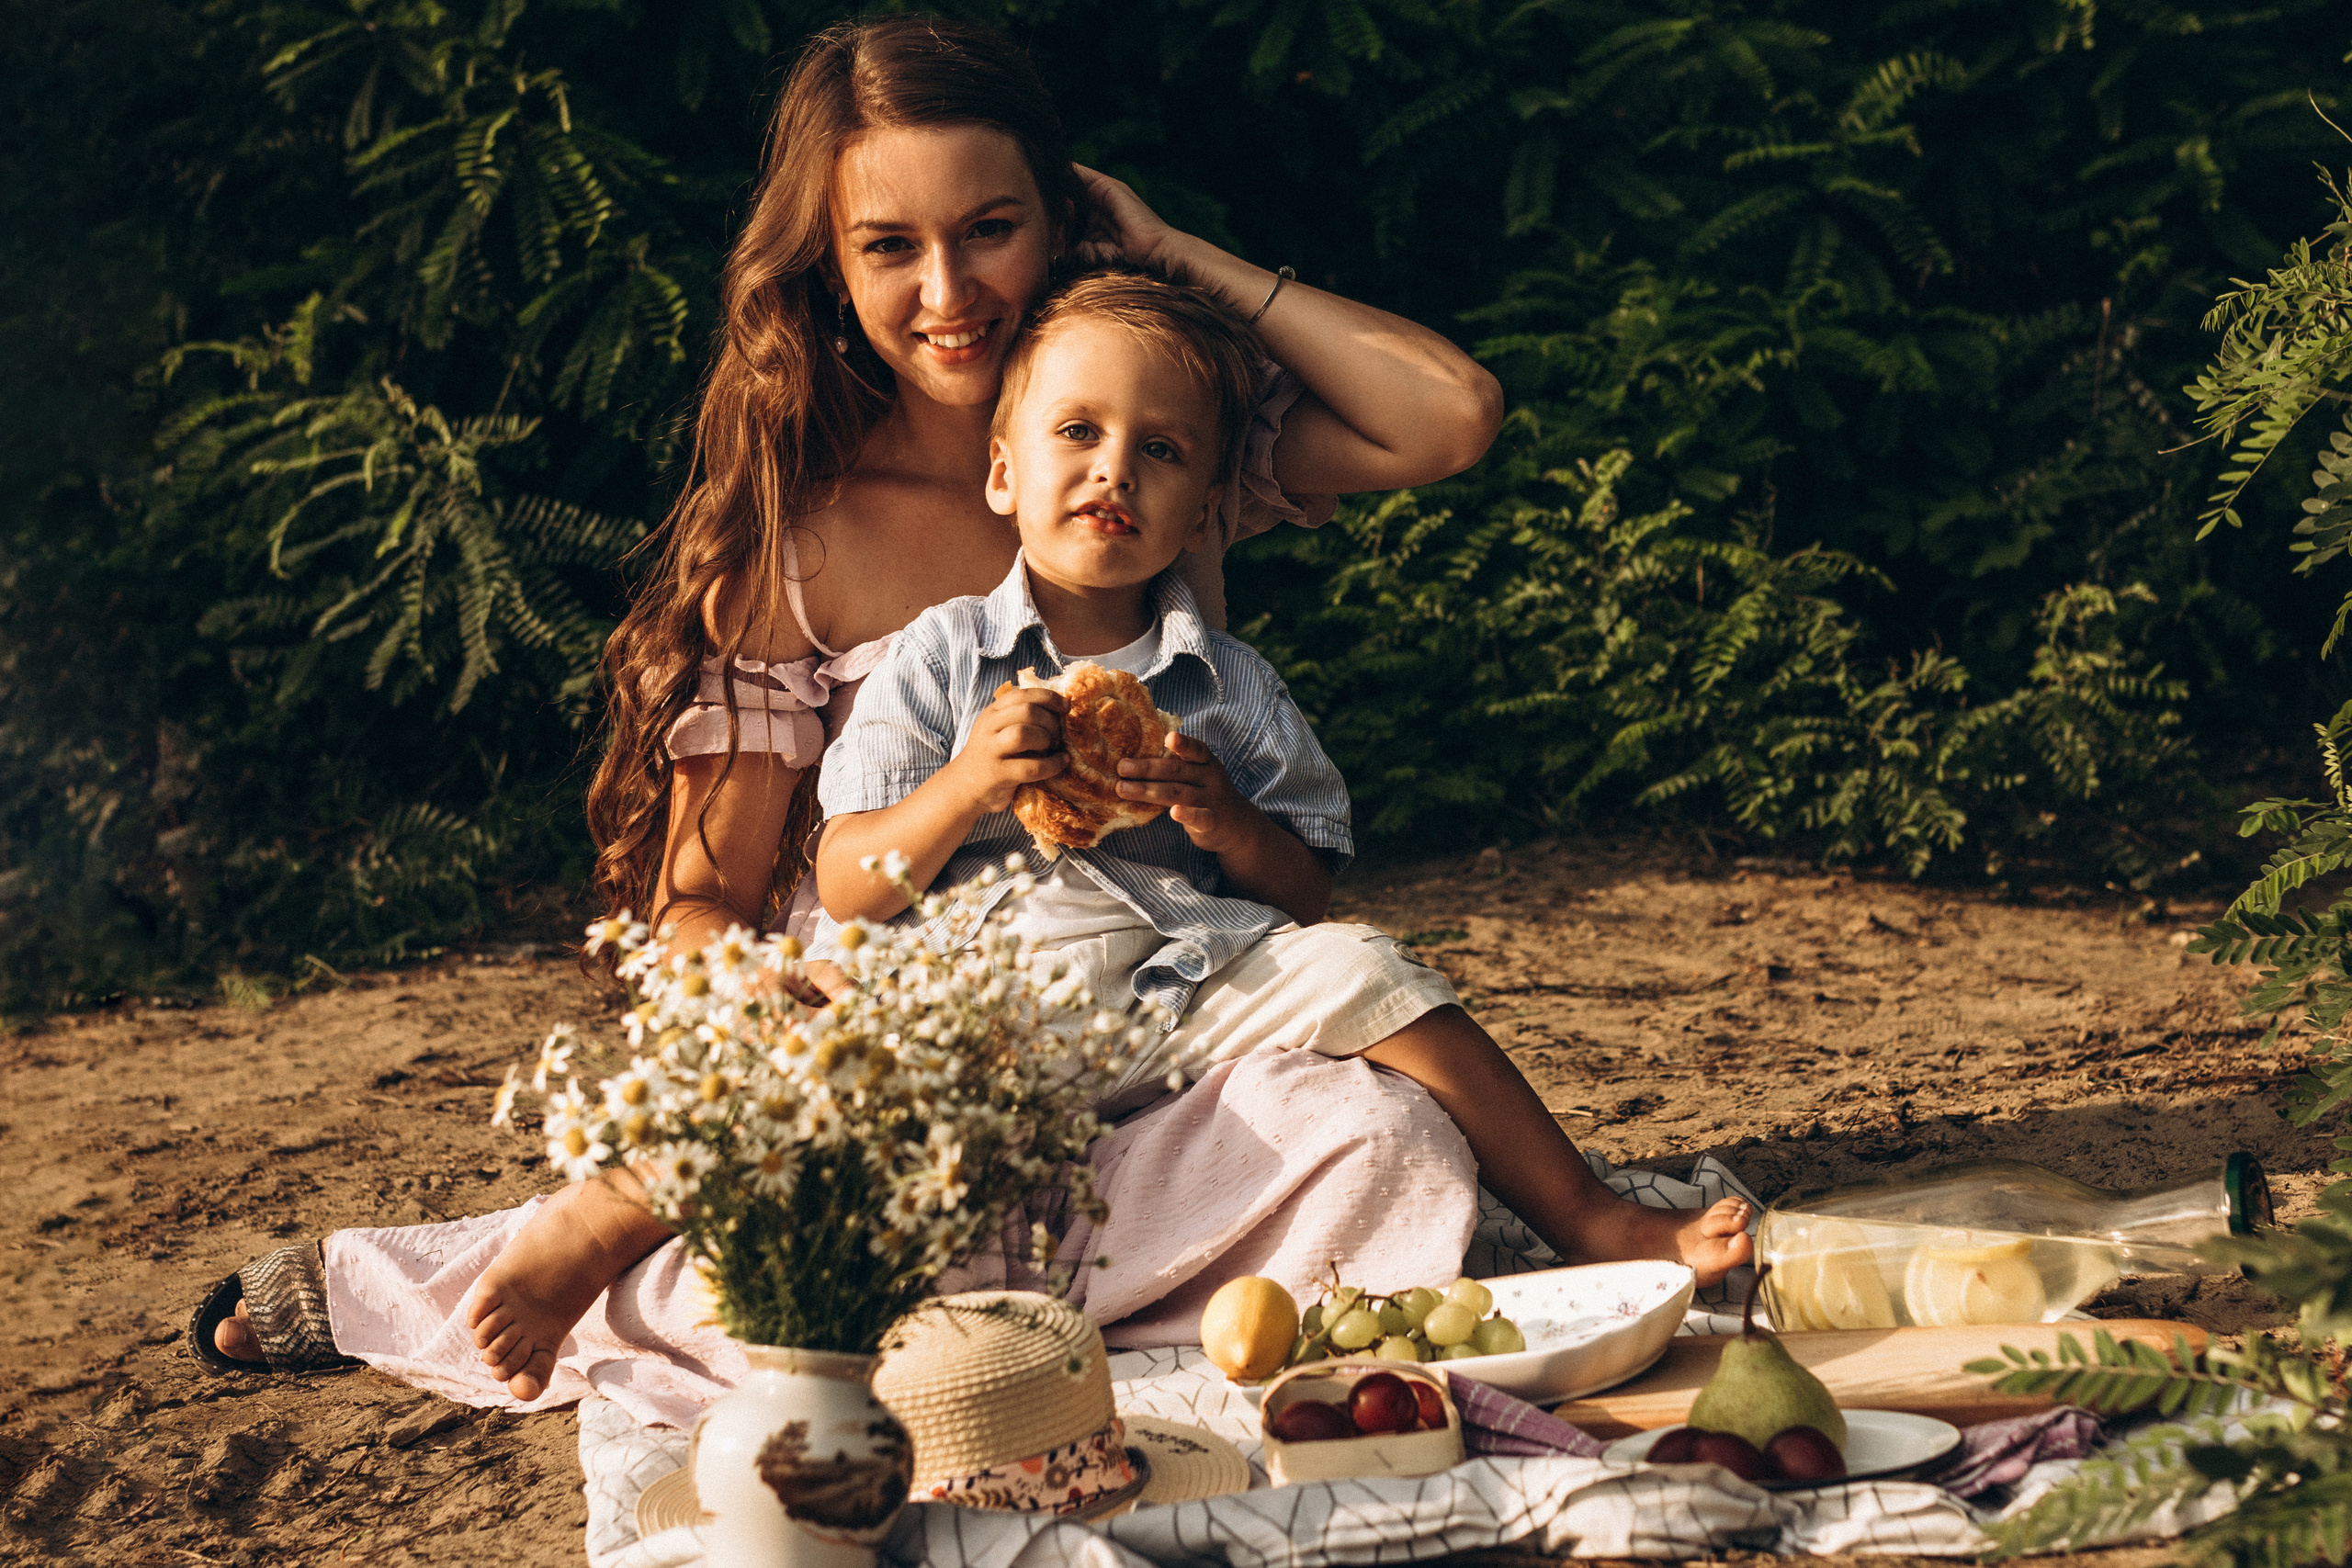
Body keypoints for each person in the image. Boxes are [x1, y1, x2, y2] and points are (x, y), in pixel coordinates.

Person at [192, 17, 1732, 1413]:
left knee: (1390, 1141)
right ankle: (506, 1258)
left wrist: (1179, 255)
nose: (947, 295)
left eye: (992, 229)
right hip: (898, 1031)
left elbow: (1448, 414)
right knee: (805, 1266)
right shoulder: (798, 537)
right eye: (889, 250)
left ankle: (1108, 1298)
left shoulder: (1135, 454)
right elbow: (706, 903)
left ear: (1059, 217)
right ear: (828, 266)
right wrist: (794, 1017)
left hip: (1154, 1018)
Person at [807, 267, 1750, 1332]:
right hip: (982, 1010)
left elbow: (1308, 897)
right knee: (858, 1115)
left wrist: (1225, 822)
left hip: (1180, 995)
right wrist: (964, 782)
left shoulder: (1230, 686)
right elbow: (849, 885)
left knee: (1366, 966)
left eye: (1159, 450)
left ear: (1204, 506)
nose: (1114, 467)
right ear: (1000, 474)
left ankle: (1586, 1215)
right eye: (1077, 432)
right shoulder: (941, 656)